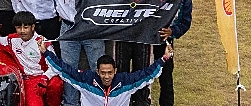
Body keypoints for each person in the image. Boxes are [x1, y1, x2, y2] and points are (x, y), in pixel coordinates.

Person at [45, 43, 173, 106]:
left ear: (115, 71)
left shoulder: (126, 82)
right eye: (103, 73)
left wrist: (164, 58)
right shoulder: (86, 80)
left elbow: (147, 74)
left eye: (110, 73)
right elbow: (65, 70)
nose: (106, 77)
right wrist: (46, 53)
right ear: (97, 72)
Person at [0, 12, 63, 106]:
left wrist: (45, 79)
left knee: (56, 84)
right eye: (19, 27)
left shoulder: (43, 42)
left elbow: (55, 66)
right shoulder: (11, 40)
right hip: (29, 81)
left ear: (33, 27)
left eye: (26, 27)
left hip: (44, 77)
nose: (22, 31)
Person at [154, 0, 194, 106]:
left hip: (165, 41)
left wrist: (172, 31)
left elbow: (185, 23)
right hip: (145, 38)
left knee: (166, 78)